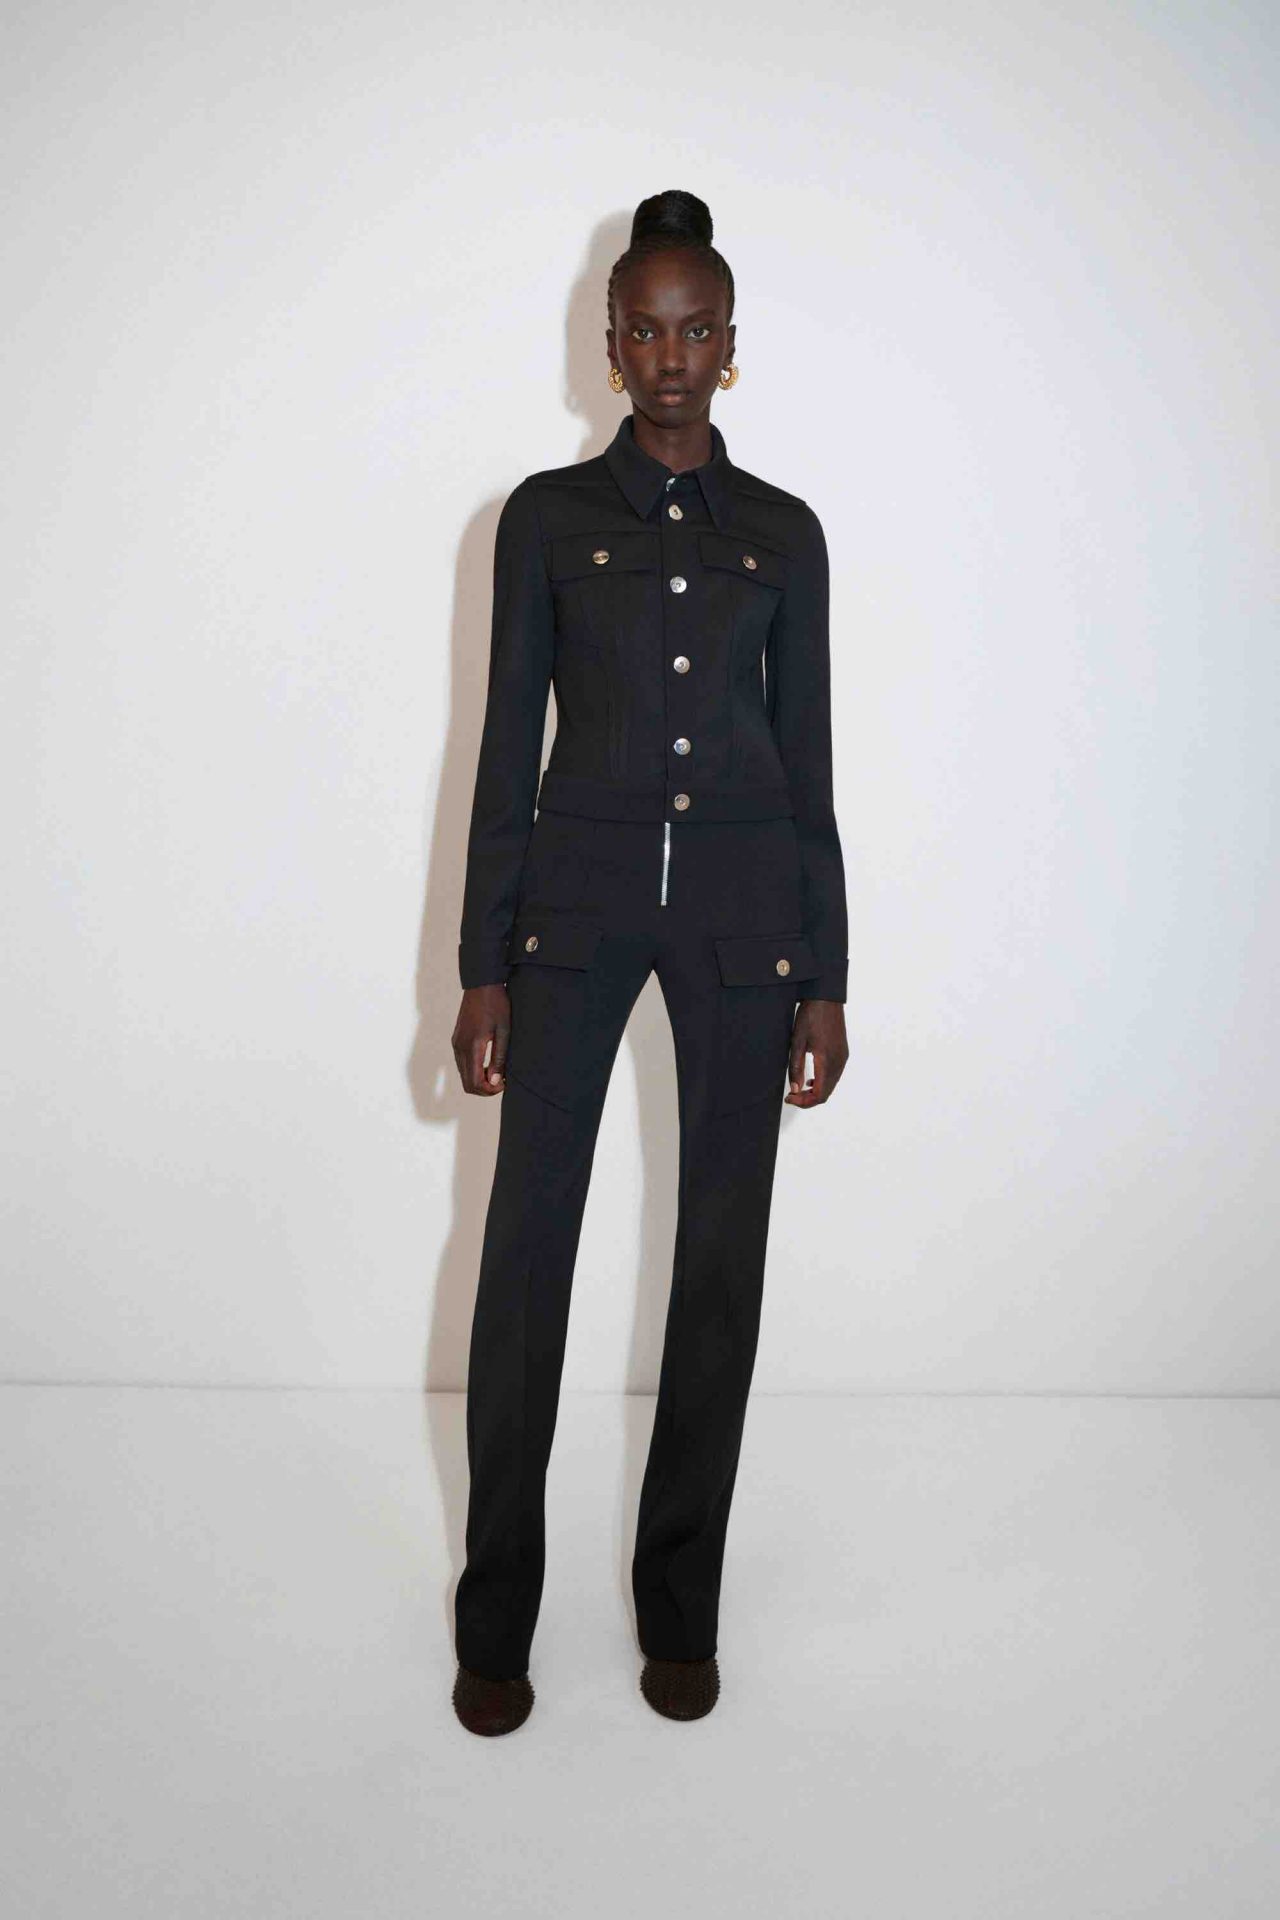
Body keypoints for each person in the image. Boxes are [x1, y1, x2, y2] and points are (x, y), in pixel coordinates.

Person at [449, 188, 849, 1735]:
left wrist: (827, 972)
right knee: (523, 1262)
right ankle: (497, 1622)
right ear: (608, 345)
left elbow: (810, 765)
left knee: (720, 1263)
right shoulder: (545, 521)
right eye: (644, 330)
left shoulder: (785, 534)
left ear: (729, 346)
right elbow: (505, 750)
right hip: (571, 909)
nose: (670, 356)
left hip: (747, 922)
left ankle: (682, 1607)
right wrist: (482, 962)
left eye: (697, 331)